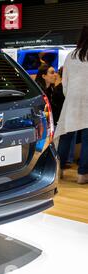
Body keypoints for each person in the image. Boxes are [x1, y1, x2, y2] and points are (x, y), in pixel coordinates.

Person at [55, 25, 88, 184]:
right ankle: (82, 174)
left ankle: (58, 169)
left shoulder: (71, 56)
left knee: (66, 135)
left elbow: (65, 83)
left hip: (72, 99)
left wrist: (70, 96)